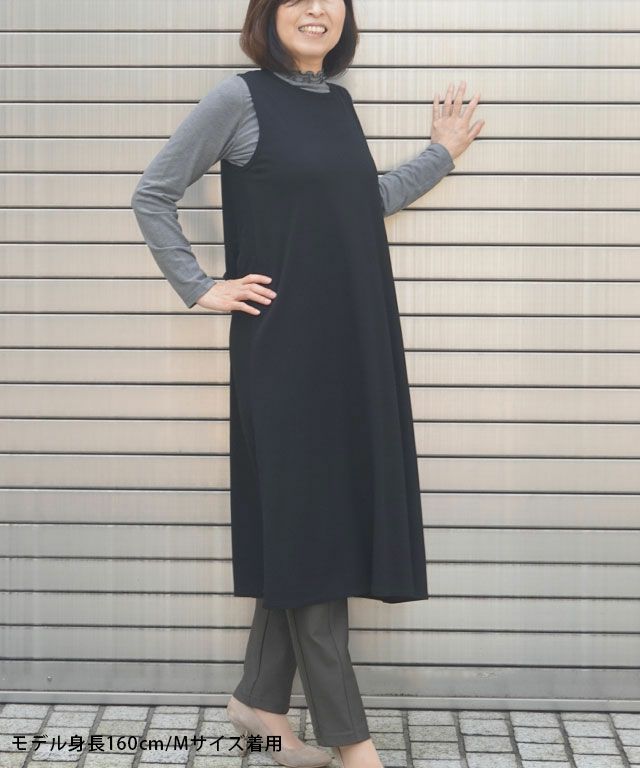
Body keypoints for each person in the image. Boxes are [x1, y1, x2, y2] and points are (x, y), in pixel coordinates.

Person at [130, 1, 484, 765]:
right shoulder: (239, 98)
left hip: (352, 341)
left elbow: (360, 204)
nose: (316, 9)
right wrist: (199, 285)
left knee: (309, 526)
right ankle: (352, 744)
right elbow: (153, 193)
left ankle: (258, 701)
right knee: (312, 531)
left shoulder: (337, 103)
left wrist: (439, 154)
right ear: (269, 14)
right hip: (284, 351)